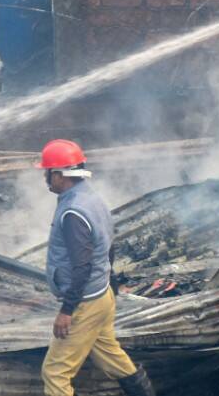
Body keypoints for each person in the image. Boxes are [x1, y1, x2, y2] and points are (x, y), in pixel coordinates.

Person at [37, 139, 155, 396]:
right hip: (102, 297)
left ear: (59, 175)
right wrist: (109, 283)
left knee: (55, 372)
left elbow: (82, 265)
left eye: (47, 173)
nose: (46, 179)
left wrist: (67, 310)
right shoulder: (91, 198)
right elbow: (108, 245)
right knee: (110, 355)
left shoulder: (72, 212)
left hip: (85, 304)